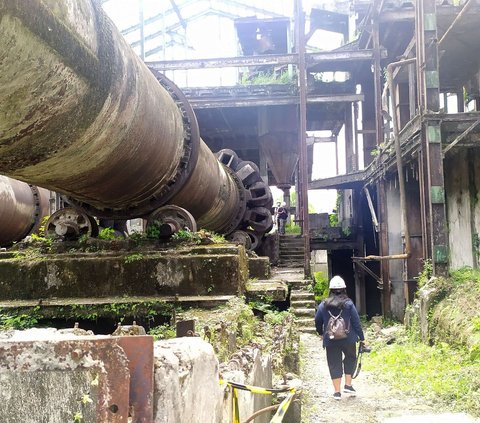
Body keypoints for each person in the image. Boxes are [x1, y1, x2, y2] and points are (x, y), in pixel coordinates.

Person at [314, 275, 366, 400]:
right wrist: (362, 337)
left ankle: (337, 392)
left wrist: (321, 333)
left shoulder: (323, 305)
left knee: (333, 363)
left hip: (330, 339)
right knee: (350, 358)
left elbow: (317, 321)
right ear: (344, 289)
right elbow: (356, 322)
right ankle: (348, 385)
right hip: (349, 339)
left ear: (330, 290)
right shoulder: (348, 304)